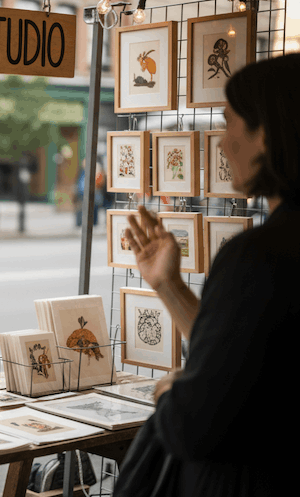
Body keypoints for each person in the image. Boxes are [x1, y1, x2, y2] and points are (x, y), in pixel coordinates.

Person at [116, 54, 299, 496]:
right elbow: (245, 362)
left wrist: (168, 390)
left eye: (230, 122)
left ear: (266, 134)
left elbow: (193, 425)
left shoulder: (259, 256)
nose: (221, 142)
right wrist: (169, 285)